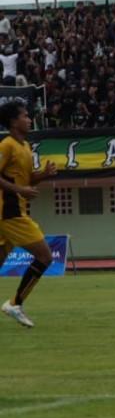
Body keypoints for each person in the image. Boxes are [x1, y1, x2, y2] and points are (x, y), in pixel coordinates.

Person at [0, 101, 59, 328]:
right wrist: (20, 190)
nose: (29, 119)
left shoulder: (25, 146)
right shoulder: (6, 146)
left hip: (13, 211)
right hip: (9, 213)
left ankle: (16, 304)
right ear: (14, 122)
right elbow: (16, 185)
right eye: (25, 116)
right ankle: (15, 303)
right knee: (45, 256)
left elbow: (23, 180)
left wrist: (43, 174)